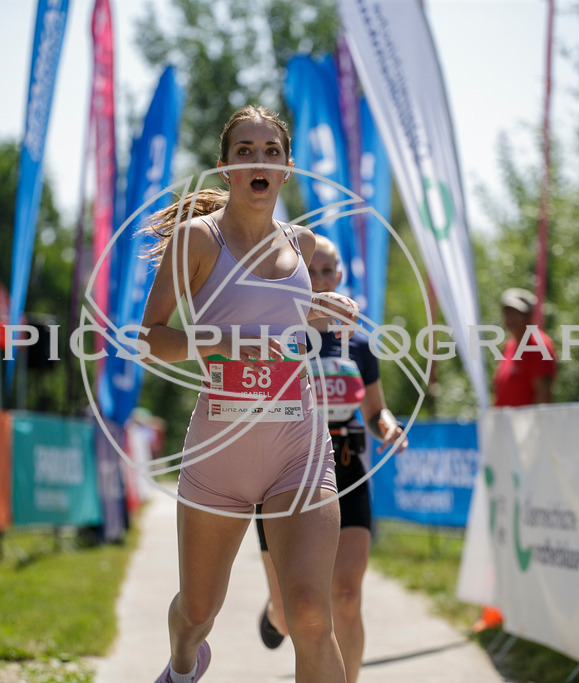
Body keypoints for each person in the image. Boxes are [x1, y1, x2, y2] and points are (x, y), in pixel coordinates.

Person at [138, 105, 358, 683]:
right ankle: (184, 665)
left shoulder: (305, 245)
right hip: (221, 455)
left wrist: (329, 312)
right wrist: (229, 342)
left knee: (311, 614)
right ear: (225, 169)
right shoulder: (198, 240)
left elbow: (291, 323)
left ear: (285, 169)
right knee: (196, 611)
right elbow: (150, 339)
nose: (258, 161)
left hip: (297, 448)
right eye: (245, 151)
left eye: (270, 152)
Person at [253, 235, 407, 682]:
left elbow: (376, 411)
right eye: (311, 271)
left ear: (339, 277)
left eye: (328, 272)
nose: (320, 280)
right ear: (298, 277)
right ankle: (273, 612)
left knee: (345, 597)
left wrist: (388, 428)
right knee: (289, 612)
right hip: (284, 472)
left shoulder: (358, 344)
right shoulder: (278, 337)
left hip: (345, 467)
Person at [473, 287, 556, 632]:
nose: (510, 317)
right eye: (506, 310)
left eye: (517, 311)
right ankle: (502, 609)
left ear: (531, 314)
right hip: (505, 455)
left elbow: (543, 400)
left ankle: (531, 611)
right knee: (504, 530)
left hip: (527, 455)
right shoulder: (510, 346)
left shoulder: (538, 344)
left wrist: (534, 448)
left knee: (527, 532)